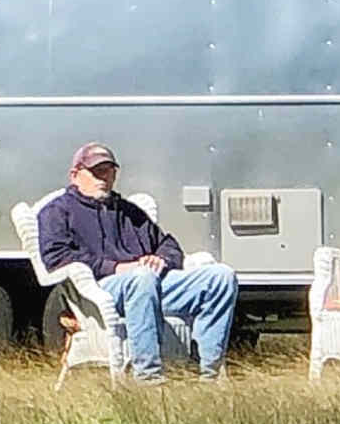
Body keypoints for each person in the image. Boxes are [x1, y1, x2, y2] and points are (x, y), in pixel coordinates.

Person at [33, 142, 241, 381]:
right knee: (142, 278)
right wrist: (117, 268)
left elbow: (170, 247)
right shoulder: (57, 211)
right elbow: (56, 257)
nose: (103, 177)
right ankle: (148, 377)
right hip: (100, 290)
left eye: (109, 170)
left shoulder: (129, 212)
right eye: (95, 171)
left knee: (220, 276)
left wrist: (160, 259)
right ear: (75, 175)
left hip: (151, 284)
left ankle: (210, 374)